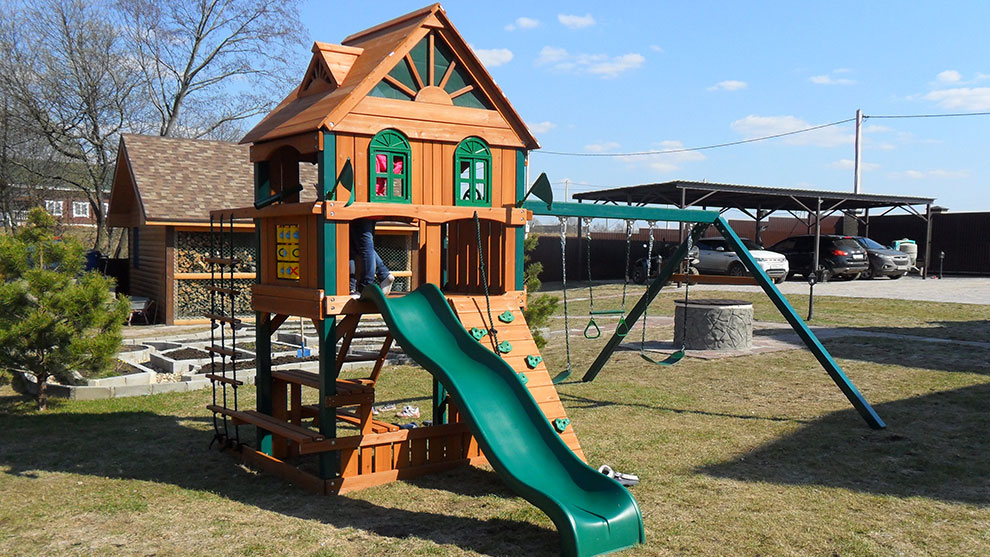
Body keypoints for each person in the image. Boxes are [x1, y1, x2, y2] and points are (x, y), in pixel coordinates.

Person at [350, 218, 394, 297]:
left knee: (364, 246)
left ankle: (365, 286)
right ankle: (383, 274)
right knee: (358, 245)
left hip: (359, 212)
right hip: (370, 213)